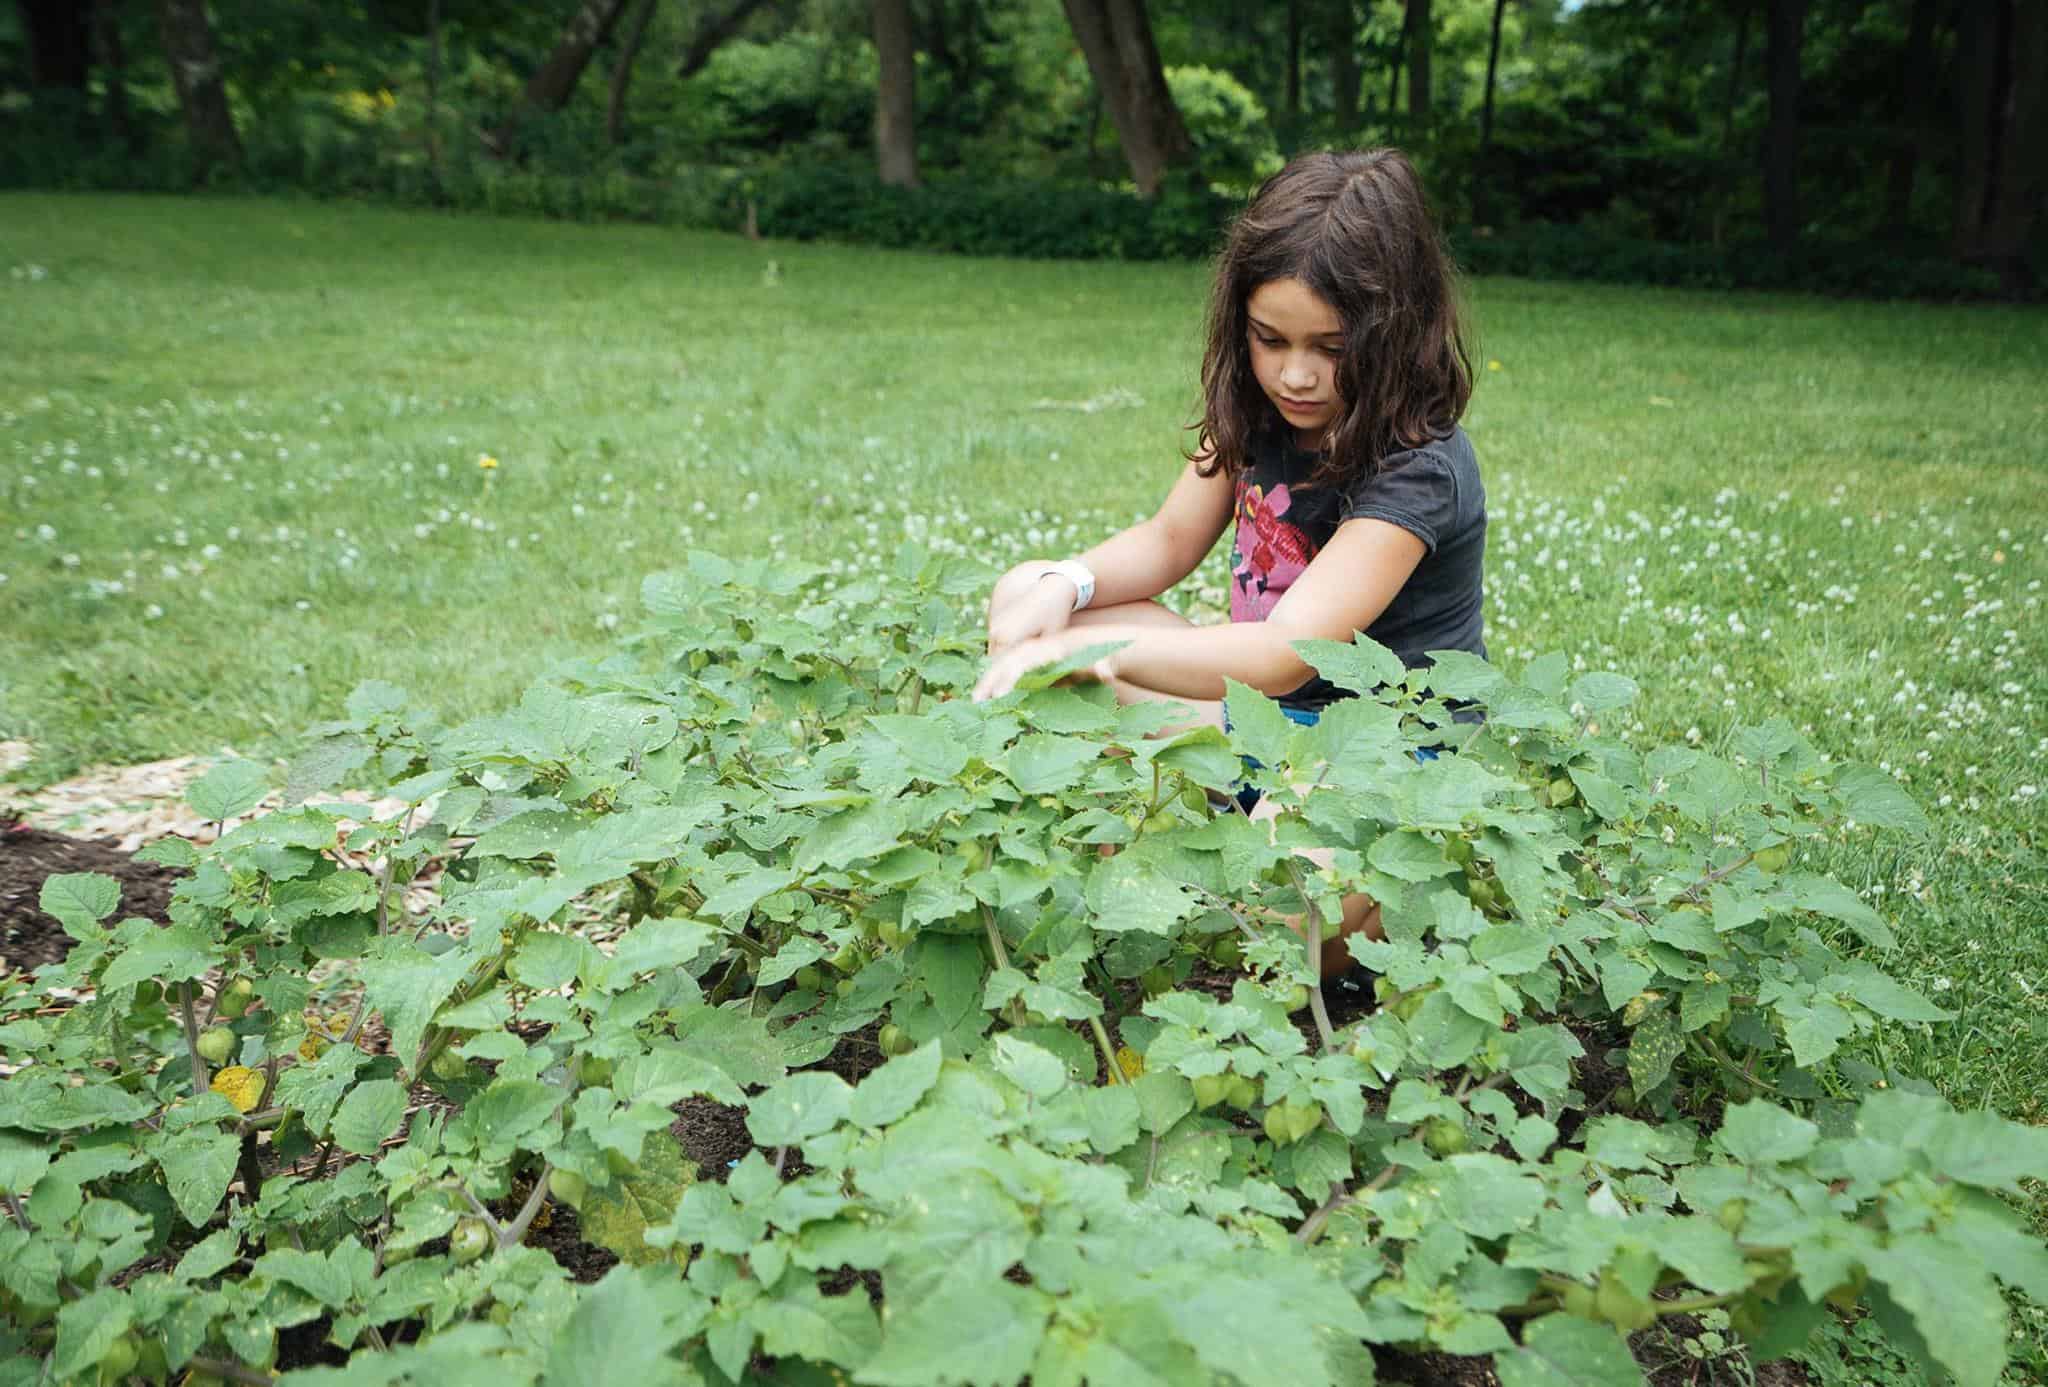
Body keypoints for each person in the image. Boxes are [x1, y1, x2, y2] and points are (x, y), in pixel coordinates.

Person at [971, 148, 1487, 978]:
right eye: (1269, 338)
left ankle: (1356, 885)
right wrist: (1065, 588)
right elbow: (1168, 542)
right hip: (1258, 733)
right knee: (1029, 592)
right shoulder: (1255, 410)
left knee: (1289, 915)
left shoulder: (1417, 466)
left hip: (1386, 761)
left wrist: (1081, 653)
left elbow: (1287, 655)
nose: (1295, 372)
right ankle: (1114, 850)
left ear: (1398, 330)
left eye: (1332, 345)